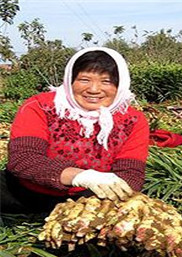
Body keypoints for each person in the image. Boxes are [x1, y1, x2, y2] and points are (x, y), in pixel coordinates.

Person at [0, 47, 150, 219]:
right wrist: (80, 176)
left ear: (120, 85)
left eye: (106, 81)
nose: (94, 89)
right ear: (70, 81)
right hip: (25, 192)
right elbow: (24, 159)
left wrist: (89, 204)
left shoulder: (133, 120)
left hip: (90, 199)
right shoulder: (39, 106)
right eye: (84, 79)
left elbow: (131, 175)